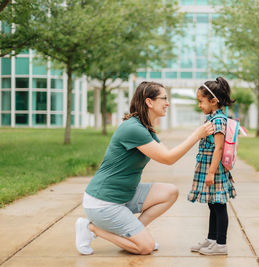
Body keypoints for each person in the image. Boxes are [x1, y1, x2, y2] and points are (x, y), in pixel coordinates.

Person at [75, 81, 214, 255]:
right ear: (149, 102)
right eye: (163, 98)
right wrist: (196, 135)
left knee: (170, 192)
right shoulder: (134, 129)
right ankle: (91, 228)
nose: (167, 103)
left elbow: (166, 153)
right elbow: (168, 158)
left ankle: (133, 235)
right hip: (103, 203)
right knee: (145, 247)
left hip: (123, 195)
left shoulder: (145, 128)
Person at [188, 77, 236, 255]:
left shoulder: (218, 120)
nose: (199, 105)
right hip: (210, 166)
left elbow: (219, 148)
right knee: (212, 204)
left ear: (214, 100)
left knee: (219, 205)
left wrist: (210, 173)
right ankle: (212, 239)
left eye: (201, 101)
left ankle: (220, 245)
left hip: (213, 168)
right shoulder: (213, 117)